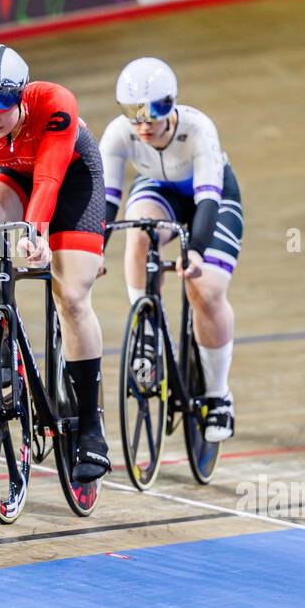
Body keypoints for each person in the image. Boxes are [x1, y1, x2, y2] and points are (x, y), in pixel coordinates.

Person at [0, 43, 111, 481]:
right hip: (10, 172)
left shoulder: (55, 104)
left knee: (70, 295)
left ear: (21, 92)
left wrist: (37, 234)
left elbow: (48, 180)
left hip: (70, 181)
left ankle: (90, 425)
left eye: (0, 103)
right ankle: (3, 330)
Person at [98, 57, 242, 442]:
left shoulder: (198, 129)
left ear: (171, 105)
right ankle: (146, 328)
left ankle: (218, 396)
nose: (143, 125)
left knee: (206, 291)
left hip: (210, 197)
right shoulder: (117, 134)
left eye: (153, 114)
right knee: (139, 232)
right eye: (134, 115)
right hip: (158, 189)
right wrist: (95, 250)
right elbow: (107, 202)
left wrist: (194, 251)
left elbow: (208, 199)